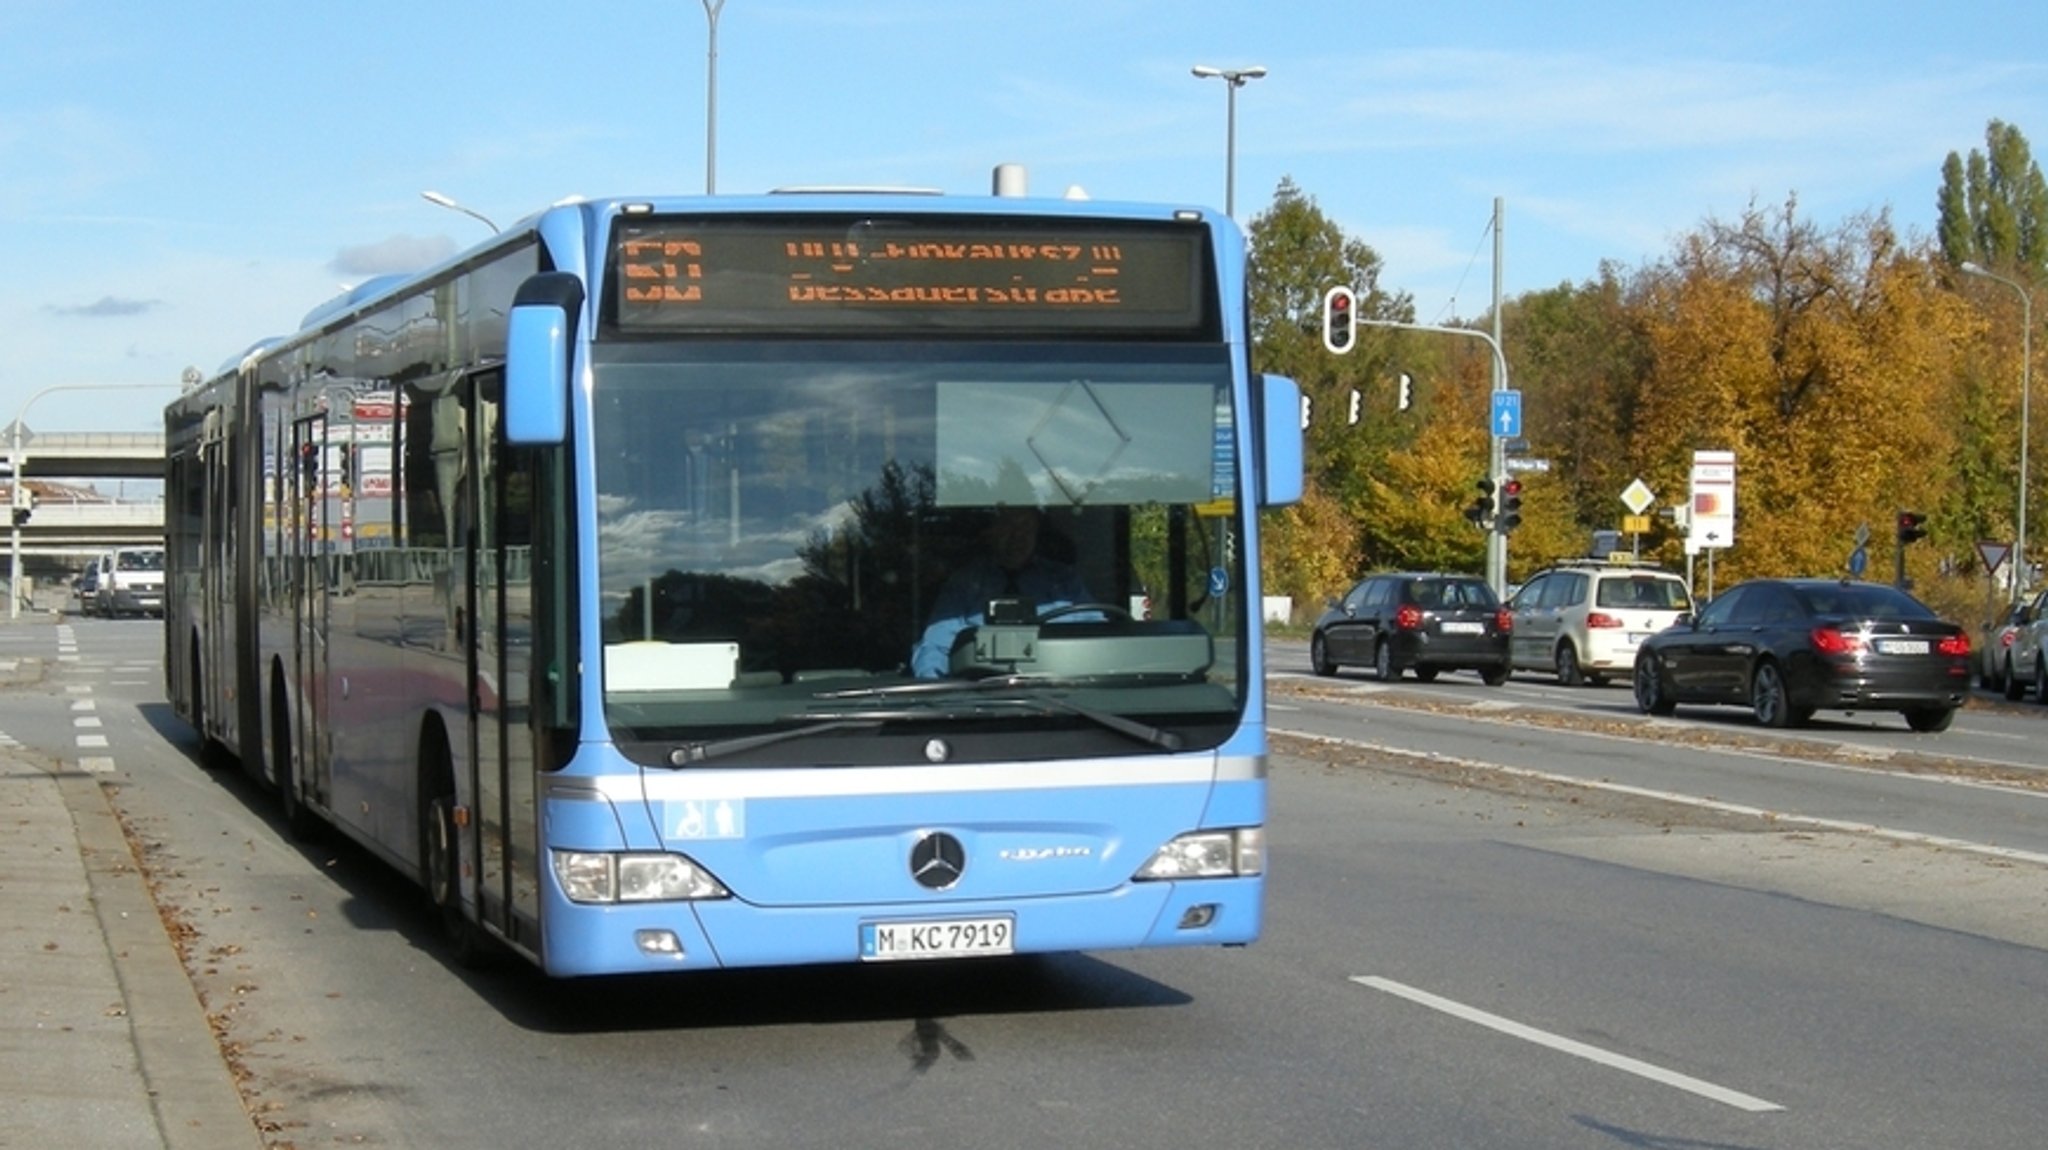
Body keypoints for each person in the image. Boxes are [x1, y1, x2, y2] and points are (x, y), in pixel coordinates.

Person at [911, 506, 1096, 677]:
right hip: (981, 703)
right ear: (991, 531)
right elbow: (934, 648)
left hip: (1061, 702)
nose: (1018, 536)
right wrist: (941, 699)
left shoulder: (1065, 582)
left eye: (1026, 527)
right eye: (1009, 526)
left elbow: (1100, 639)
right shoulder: (965, 585)